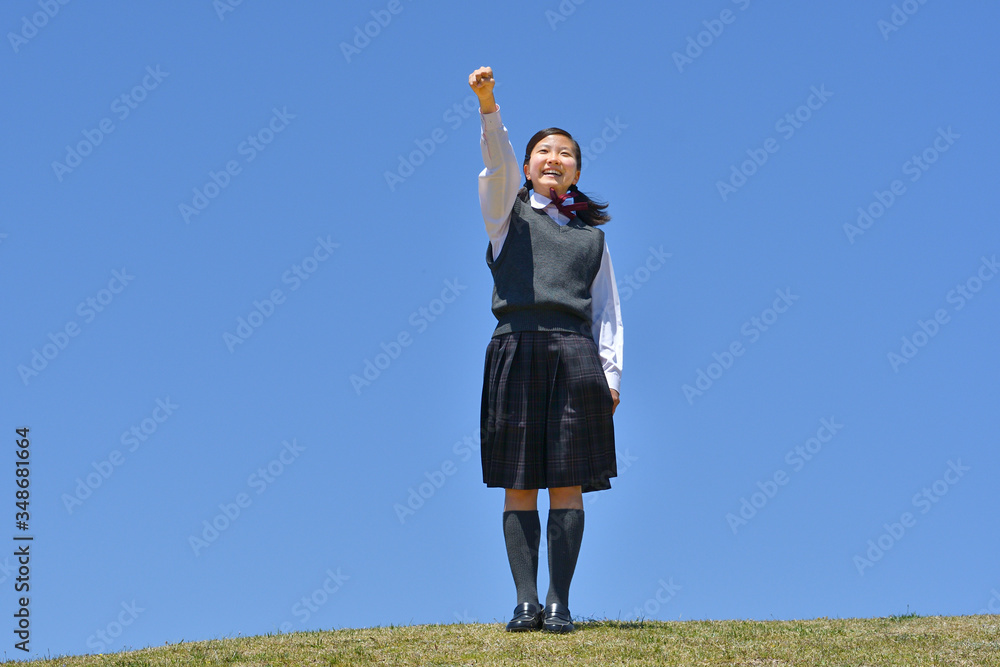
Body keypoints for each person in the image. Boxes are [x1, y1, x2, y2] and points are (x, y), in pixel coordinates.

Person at [469, 66, 623, 634]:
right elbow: (497, 165)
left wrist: (611, 376)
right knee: (518, 481)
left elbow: (607, 310)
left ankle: (559, 603)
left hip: (576, 356)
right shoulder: (504, 215)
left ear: (577, 170)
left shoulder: (593, 239)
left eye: (565, 154)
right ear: (529, 167)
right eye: (543, 152)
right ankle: (525, 602)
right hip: (515, 348)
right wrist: (489, 107)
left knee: (567, 479)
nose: (554, 158)